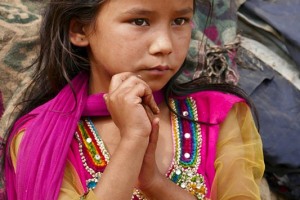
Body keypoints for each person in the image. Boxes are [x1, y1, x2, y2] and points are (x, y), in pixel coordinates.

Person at [3, 0, 264, 199]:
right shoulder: (39, 137)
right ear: (80, 30)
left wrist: (155, 184)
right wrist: (133, 141)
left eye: (180, 21)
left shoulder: (216, 117)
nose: (164, 45)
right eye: (140, 21)